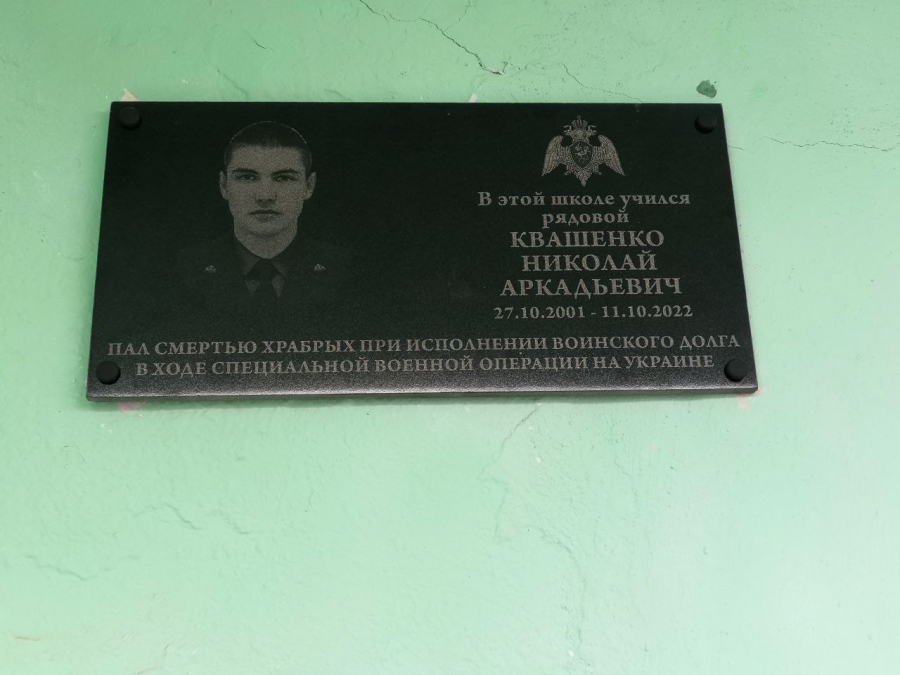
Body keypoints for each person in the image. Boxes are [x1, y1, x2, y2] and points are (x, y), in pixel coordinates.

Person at [176, 121, 348, 334]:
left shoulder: (346, 269)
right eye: (247, 177)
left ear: (308, 186)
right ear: (224, 186)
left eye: (284, 178)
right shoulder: (182, 270)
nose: (265, 196)